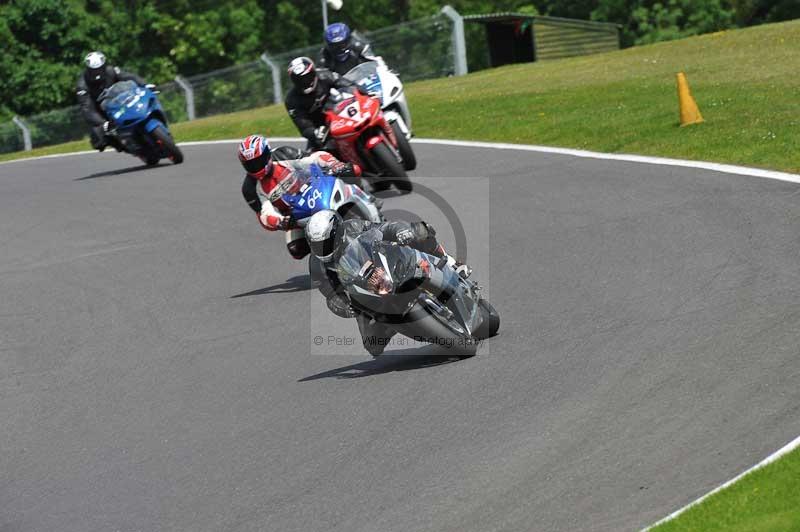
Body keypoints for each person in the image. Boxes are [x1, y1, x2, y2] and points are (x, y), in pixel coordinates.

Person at [306, 209, 470, 356]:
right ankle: (393, 325)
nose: (321, 249)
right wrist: (343, 306)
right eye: (316, 245)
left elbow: (382, 228)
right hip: (360, 292)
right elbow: (330, 294)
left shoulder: (353, 227)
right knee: (373, 346)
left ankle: (450, 262)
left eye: (324, 244)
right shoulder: (316, 265)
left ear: (337, 232)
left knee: (420, 230)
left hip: (384, 264)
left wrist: (401, 231)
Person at [238, 134, 362, 260]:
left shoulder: (284, 154)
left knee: (352, 172)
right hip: (297, 216)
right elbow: (264, 215)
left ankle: (366, 201)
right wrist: (281, 222)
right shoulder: (250, 189)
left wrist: (334, 164)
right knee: (296, 249)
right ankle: (328, 261)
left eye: (258, 161)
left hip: (319, 193)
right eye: (250, 164)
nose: (255, 167)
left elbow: (314, 158)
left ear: (267, 154)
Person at [284, 56, 365, 152]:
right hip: (323, 129)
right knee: (316, 160)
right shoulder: (292, 100)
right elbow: (303, 125)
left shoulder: (325, 75)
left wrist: (364, 93)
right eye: (299, 80)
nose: (304, 82)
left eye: (307, 77)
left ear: (313, 72)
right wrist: (314, 133)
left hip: (342, 112)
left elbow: (347, 84)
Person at [75, 51, 151, 151]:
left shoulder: (112, 71)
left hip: (122, 102)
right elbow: (87, 108)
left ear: (104, 65)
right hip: (103, 113)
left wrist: (145, 85)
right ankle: (122, 145)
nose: (97, 72)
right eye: (93, 70)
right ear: (88, 69)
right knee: (98, 137)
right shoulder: (82, 86)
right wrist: (103, 122)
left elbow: (129, 76)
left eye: (99, 69)